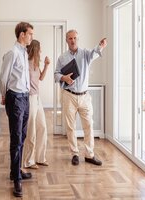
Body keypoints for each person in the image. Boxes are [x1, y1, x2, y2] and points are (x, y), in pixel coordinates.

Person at [54, 29, 107, 166]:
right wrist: (63, 77)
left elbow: (95, 53)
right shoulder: (62, 58)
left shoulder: (85, 54)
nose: (73, 41)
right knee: (70, 127)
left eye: (75, 38)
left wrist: (100, 46)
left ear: (78, 39)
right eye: (70, 38)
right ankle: (74, 154)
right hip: (68, 96)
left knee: (88, 125)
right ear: (66, 40)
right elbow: (56, 74)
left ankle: (89, 154)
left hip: (84, 96)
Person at [0, 22, 33, 197]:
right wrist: (4, 96)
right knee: (16, 137)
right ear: (22, 35)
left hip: (25, 97)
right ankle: (16, 180)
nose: (31, 37)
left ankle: (16, 171)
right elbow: (3, 77)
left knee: (23, 135)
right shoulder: (12, 53)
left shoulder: (24, 52)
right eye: (30, 34)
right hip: (15, 98)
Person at [22, 39, 50, 169]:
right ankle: (29, 161)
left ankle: (40, 158)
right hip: (30, 99)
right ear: (35, 49)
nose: (41, 51)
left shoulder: (35, 64)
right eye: (40, 49)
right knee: (31, 130)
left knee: (42, 127)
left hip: (38, 98)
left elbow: (41, 78)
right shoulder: (26, 64)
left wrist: (46, 65)